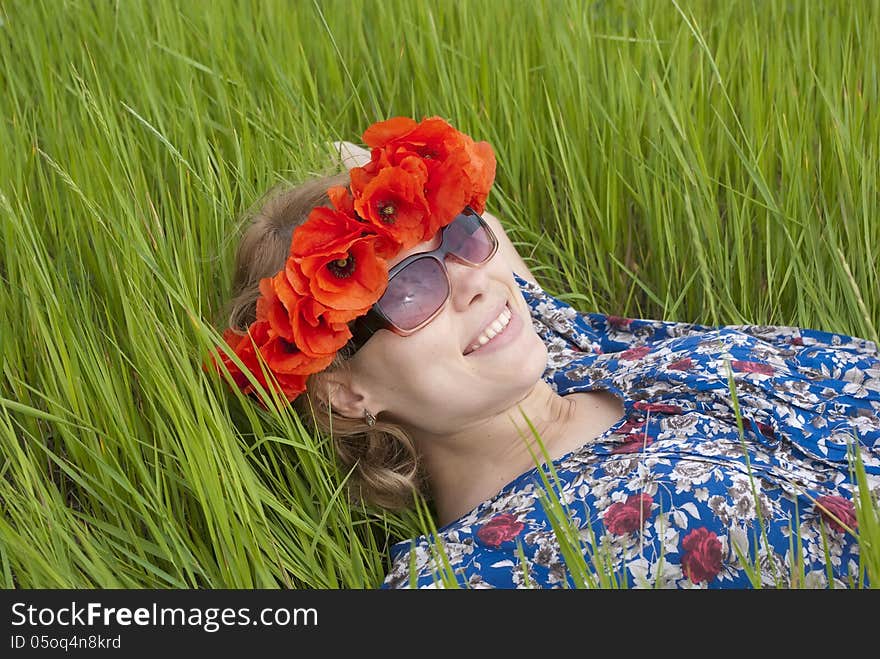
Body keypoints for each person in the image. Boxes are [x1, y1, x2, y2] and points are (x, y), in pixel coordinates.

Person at [214, 116, 880, 589]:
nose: (475, 282)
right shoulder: (478, 571)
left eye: (459, 236)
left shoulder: (562, 342)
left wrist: (383, 190)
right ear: (345, 391)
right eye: (412, 289)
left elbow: (482, 231)